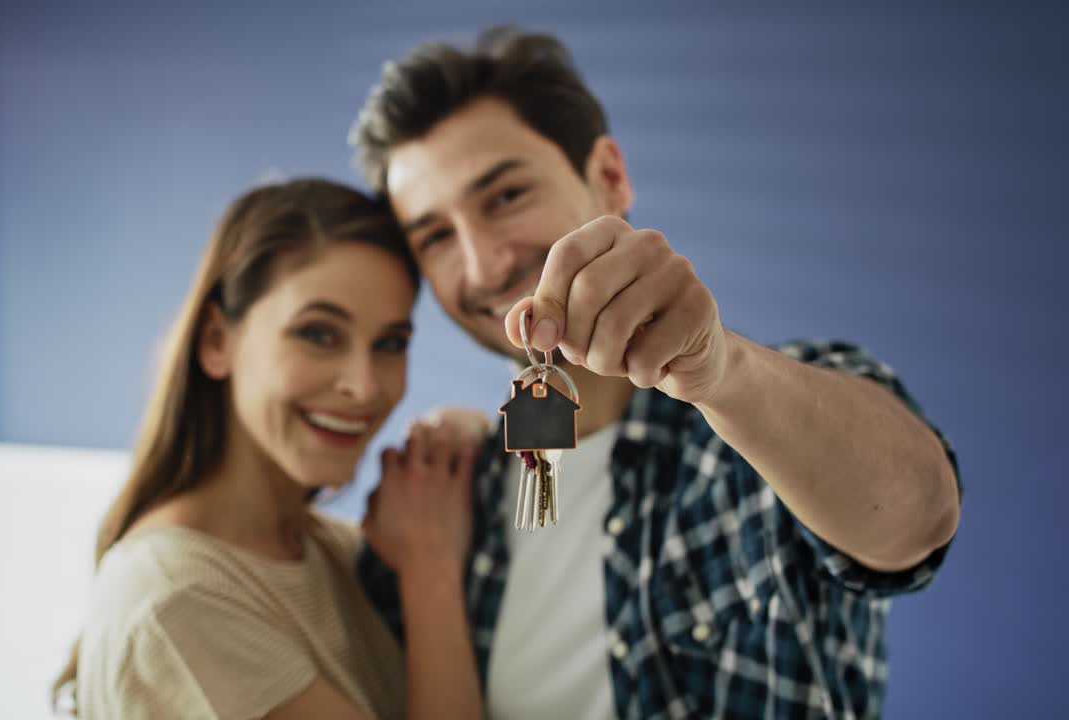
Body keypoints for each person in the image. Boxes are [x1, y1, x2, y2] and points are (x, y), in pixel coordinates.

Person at [351, 27, 962, 719]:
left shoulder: (771, 410)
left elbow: (921, 517)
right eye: (435, 236)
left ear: (608, 177)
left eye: (505, 196)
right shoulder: (444, 506)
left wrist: (722, 372)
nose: (483, 265)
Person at [51, 178, 484, 720]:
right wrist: (430, 573)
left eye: (390, 344)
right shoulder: (178, 602)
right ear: (216, 341)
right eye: (319, 334)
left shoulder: (329, 550)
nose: (366, 386)